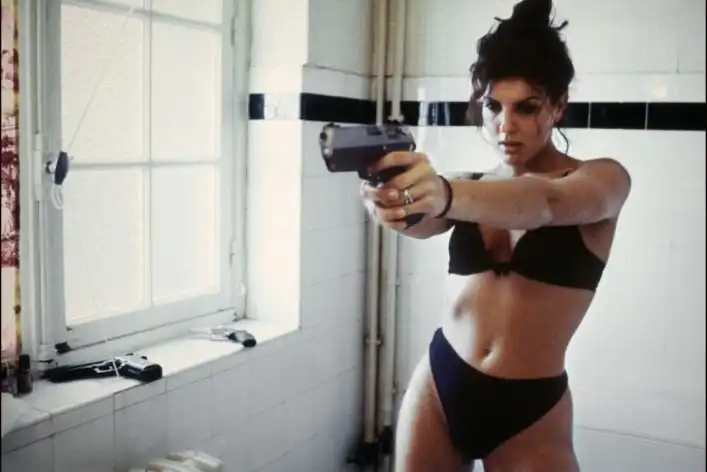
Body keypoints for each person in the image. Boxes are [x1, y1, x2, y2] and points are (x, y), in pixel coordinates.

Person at [359, 0, 632, 470]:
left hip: (529, 409)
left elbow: (545, 202)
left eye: (526, 107)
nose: (506, 126)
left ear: (558, 106)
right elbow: (419, 221)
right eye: (492, 106)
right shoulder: (469, 185)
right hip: (440, 384)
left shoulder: (602, 179)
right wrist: (389, 201)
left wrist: (442, 194)